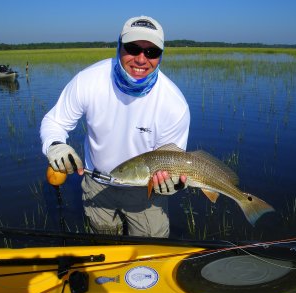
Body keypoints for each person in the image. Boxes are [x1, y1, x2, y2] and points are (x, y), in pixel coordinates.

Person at [40, 16, 190, 237]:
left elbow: (172, 160)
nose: (141, 59)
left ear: (161, 56)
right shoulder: (89, 81)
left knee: (150, 252)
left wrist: (173, 183)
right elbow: (55, 121)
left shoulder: (174, 104)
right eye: (132, 48)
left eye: (151, 52)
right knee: (104, 245)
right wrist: (54, 145)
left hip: (145, 192)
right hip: (97, 182)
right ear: (119, 46)